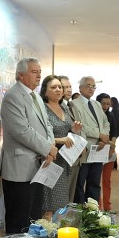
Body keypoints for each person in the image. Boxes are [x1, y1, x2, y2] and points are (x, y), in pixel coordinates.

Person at [0, 58, 57, 235]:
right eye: (34, 72)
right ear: (21, 75)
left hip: (39, 166)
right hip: (19, 169)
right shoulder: (13, 97)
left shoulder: (36, 97)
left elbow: (47, 125)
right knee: (19, 219)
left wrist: (50, 148)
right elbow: (22, 131)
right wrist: (47, 149)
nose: (39, 75)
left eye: (40, 72)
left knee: (33, 217)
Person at [41, 75, 82, 217]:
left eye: (60, 87)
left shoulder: (64, 107)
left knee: (61, 203)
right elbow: (41, 134)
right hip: (50, 159)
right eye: (53, 87)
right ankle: (47, 235)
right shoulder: (43, 108)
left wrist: (74, 130)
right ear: (45, 91)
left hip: (65, 160)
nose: (58, 90)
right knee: (49, 204)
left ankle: (58, 235)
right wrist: (59, 140)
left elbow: (68, 132)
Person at [70, 76, 109, 203]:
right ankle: (80, 213)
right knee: (80, 184)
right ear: (80, 88)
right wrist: (99, 134)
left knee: (94, 183)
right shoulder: (74, 104)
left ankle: (93, 212)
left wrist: (104, 139)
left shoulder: (97, 104)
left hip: (99, 149)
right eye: (88, 85)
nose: (91, 89)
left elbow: (105, 123)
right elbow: (80, 126)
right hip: (85, 148)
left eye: (93, 86)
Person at [59, 75, 81, 202]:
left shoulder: (70, 106)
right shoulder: (54, 107)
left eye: (70, 86)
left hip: (74, 156)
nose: (68, 90)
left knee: (70, 196)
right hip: (61, 155)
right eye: (65, 87)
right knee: (61, 197)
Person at [97, 92, 119, 210]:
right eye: (103, 104)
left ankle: (107, 205)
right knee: (95, 180)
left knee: (107, 180)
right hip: (97, 148)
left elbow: (115, 133)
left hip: (109, 149)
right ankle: (98, 205)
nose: (105, 106)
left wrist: (112, 146)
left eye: (108, 104)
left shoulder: (111, 115)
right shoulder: (94, 115)